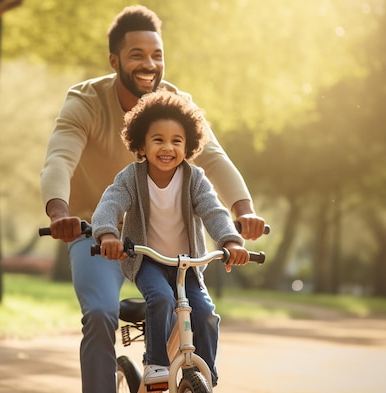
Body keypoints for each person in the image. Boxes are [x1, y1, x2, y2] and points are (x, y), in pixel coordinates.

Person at [40, 5, 265, 392]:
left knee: (197, 314)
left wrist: (243, 212)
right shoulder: (86, 101)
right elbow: (60, 157)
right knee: (99, 313)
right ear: (114, 60)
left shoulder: (175, 104)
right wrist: (59, 211)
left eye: (157, 54)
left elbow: (214, 159)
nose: (150, 63)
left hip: (163, 239)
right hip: (99, 233)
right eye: (137, 55)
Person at [91, 89, 249, 386]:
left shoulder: (195, 179)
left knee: (205, 314)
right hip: (149, 261)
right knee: (161, 298)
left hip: (187, 265)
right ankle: (155, 364)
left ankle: (205, 377)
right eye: (158, 139)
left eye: (177, 141)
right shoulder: (131, 178)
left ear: (188, 145)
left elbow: (214, 211)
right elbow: (109, 204)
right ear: (141, 143)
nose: (168, 147)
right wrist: (108, 234)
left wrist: (230, 241)